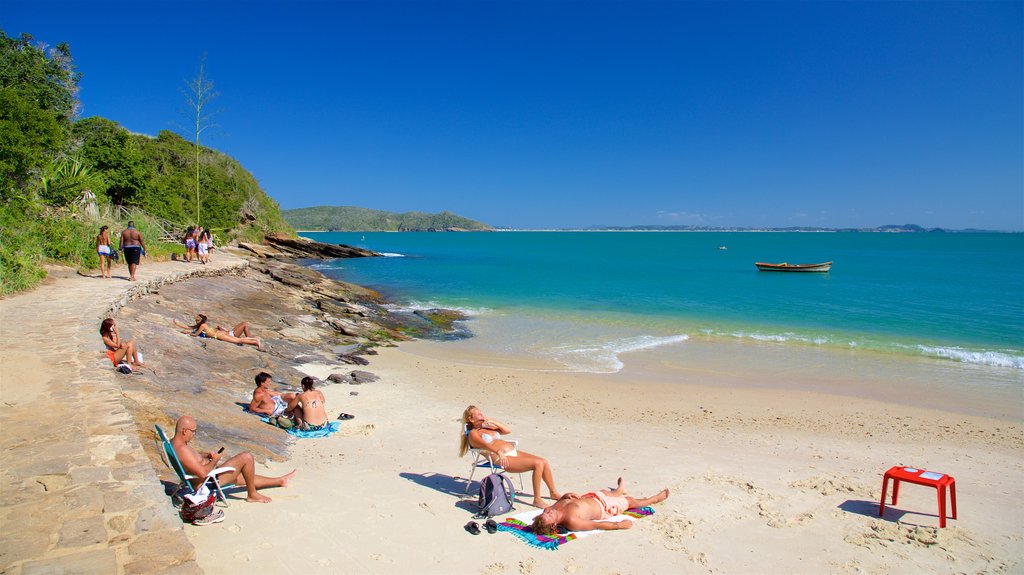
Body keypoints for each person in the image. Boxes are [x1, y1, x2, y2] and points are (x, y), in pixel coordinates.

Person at [170, 415, 296, 503]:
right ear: (185, 431)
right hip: (208, 482)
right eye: (193, 431)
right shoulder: (182, 449)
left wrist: (207, 455)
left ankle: (280, 481)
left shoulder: (175, 444)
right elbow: (202, 472)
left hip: (208, 478)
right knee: (246, 457)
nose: (194, 434)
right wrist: (215, 460)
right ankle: (252, 495)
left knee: (243, 477)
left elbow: (192, 459)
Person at [460, 405, 560, 508]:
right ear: (471, 419)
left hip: (511, 452)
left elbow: (507, 431)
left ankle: (553, 492)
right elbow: (485, 445)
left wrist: (493, 421)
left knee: (543, 461)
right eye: (479, 414)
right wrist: (498, 452)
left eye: (481, 413)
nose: (482, 415)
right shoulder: (473, 433)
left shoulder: (487, 427)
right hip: (499, 458)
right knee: (538, 464)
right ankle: (537, 499)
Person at [530, 478, 669, 535]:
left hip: (592, 497)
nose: (547, 513)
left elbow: (559, 502)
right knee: (631, 501)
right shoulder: (572, 521)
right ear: (554, 526)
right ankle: (655, 499)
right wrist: (619, 525)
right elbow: (596, 525)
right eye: (548, 517)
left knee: (606, 492)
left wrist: (565, 495)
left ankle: (619, 490)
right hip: (605, 507)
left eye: (545, 514)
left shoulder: (550, 509)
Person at [172, 314, 262, 349]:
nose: (196, 321)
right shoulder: (203, 325)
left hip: (219, 335)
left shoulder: (202, 326)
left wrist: (187, 333)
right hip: (219, 334)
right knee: (238, 340)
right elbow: (189, 327)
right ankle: (254, 341)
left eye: (197, 320)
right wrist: (177, 324)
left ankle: (255, 342)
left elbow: (195, 334)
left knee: (238, 340)